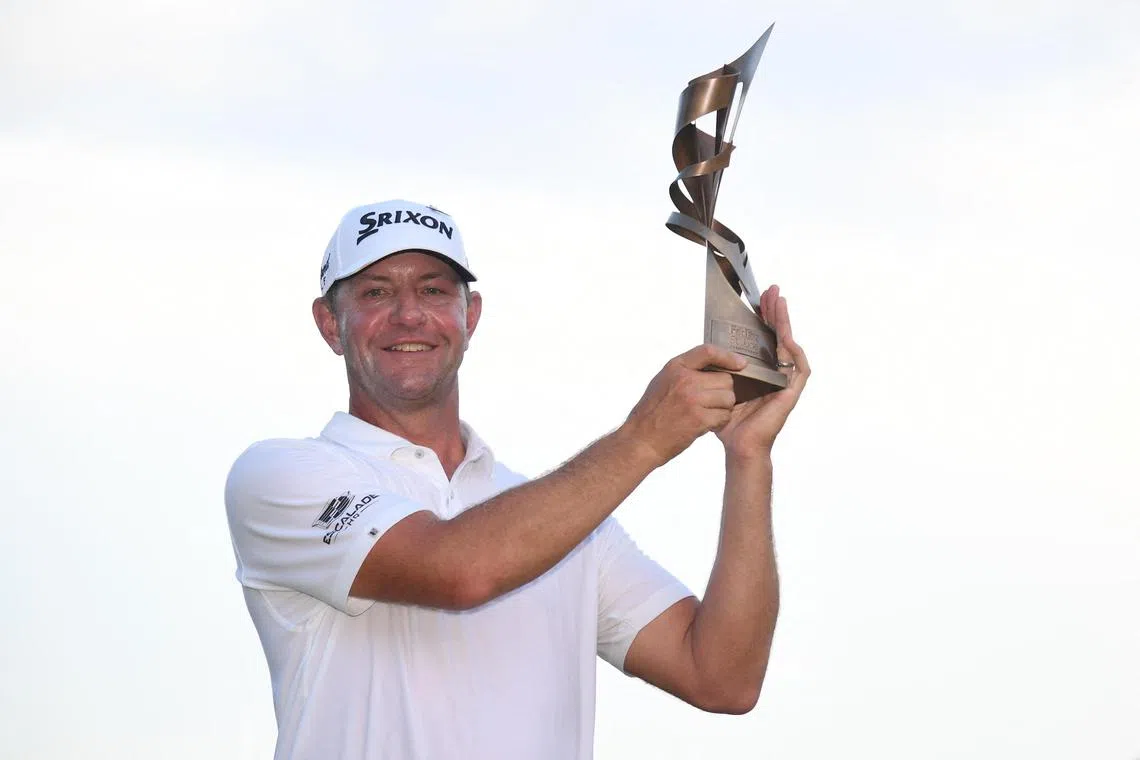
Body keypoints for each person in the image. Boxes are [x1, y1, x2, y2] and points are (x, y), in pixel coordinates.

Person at [225, 199, 810, 760]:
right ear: (330, 323)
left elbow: (723, 678)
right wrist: (645, 438)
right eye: (376, 292)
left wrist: (748, 459)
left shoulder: (570, 524)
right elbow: (458, 570)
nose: (409, 314)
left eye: (433, 290)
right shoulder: (280, 476)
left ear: (469, 316)